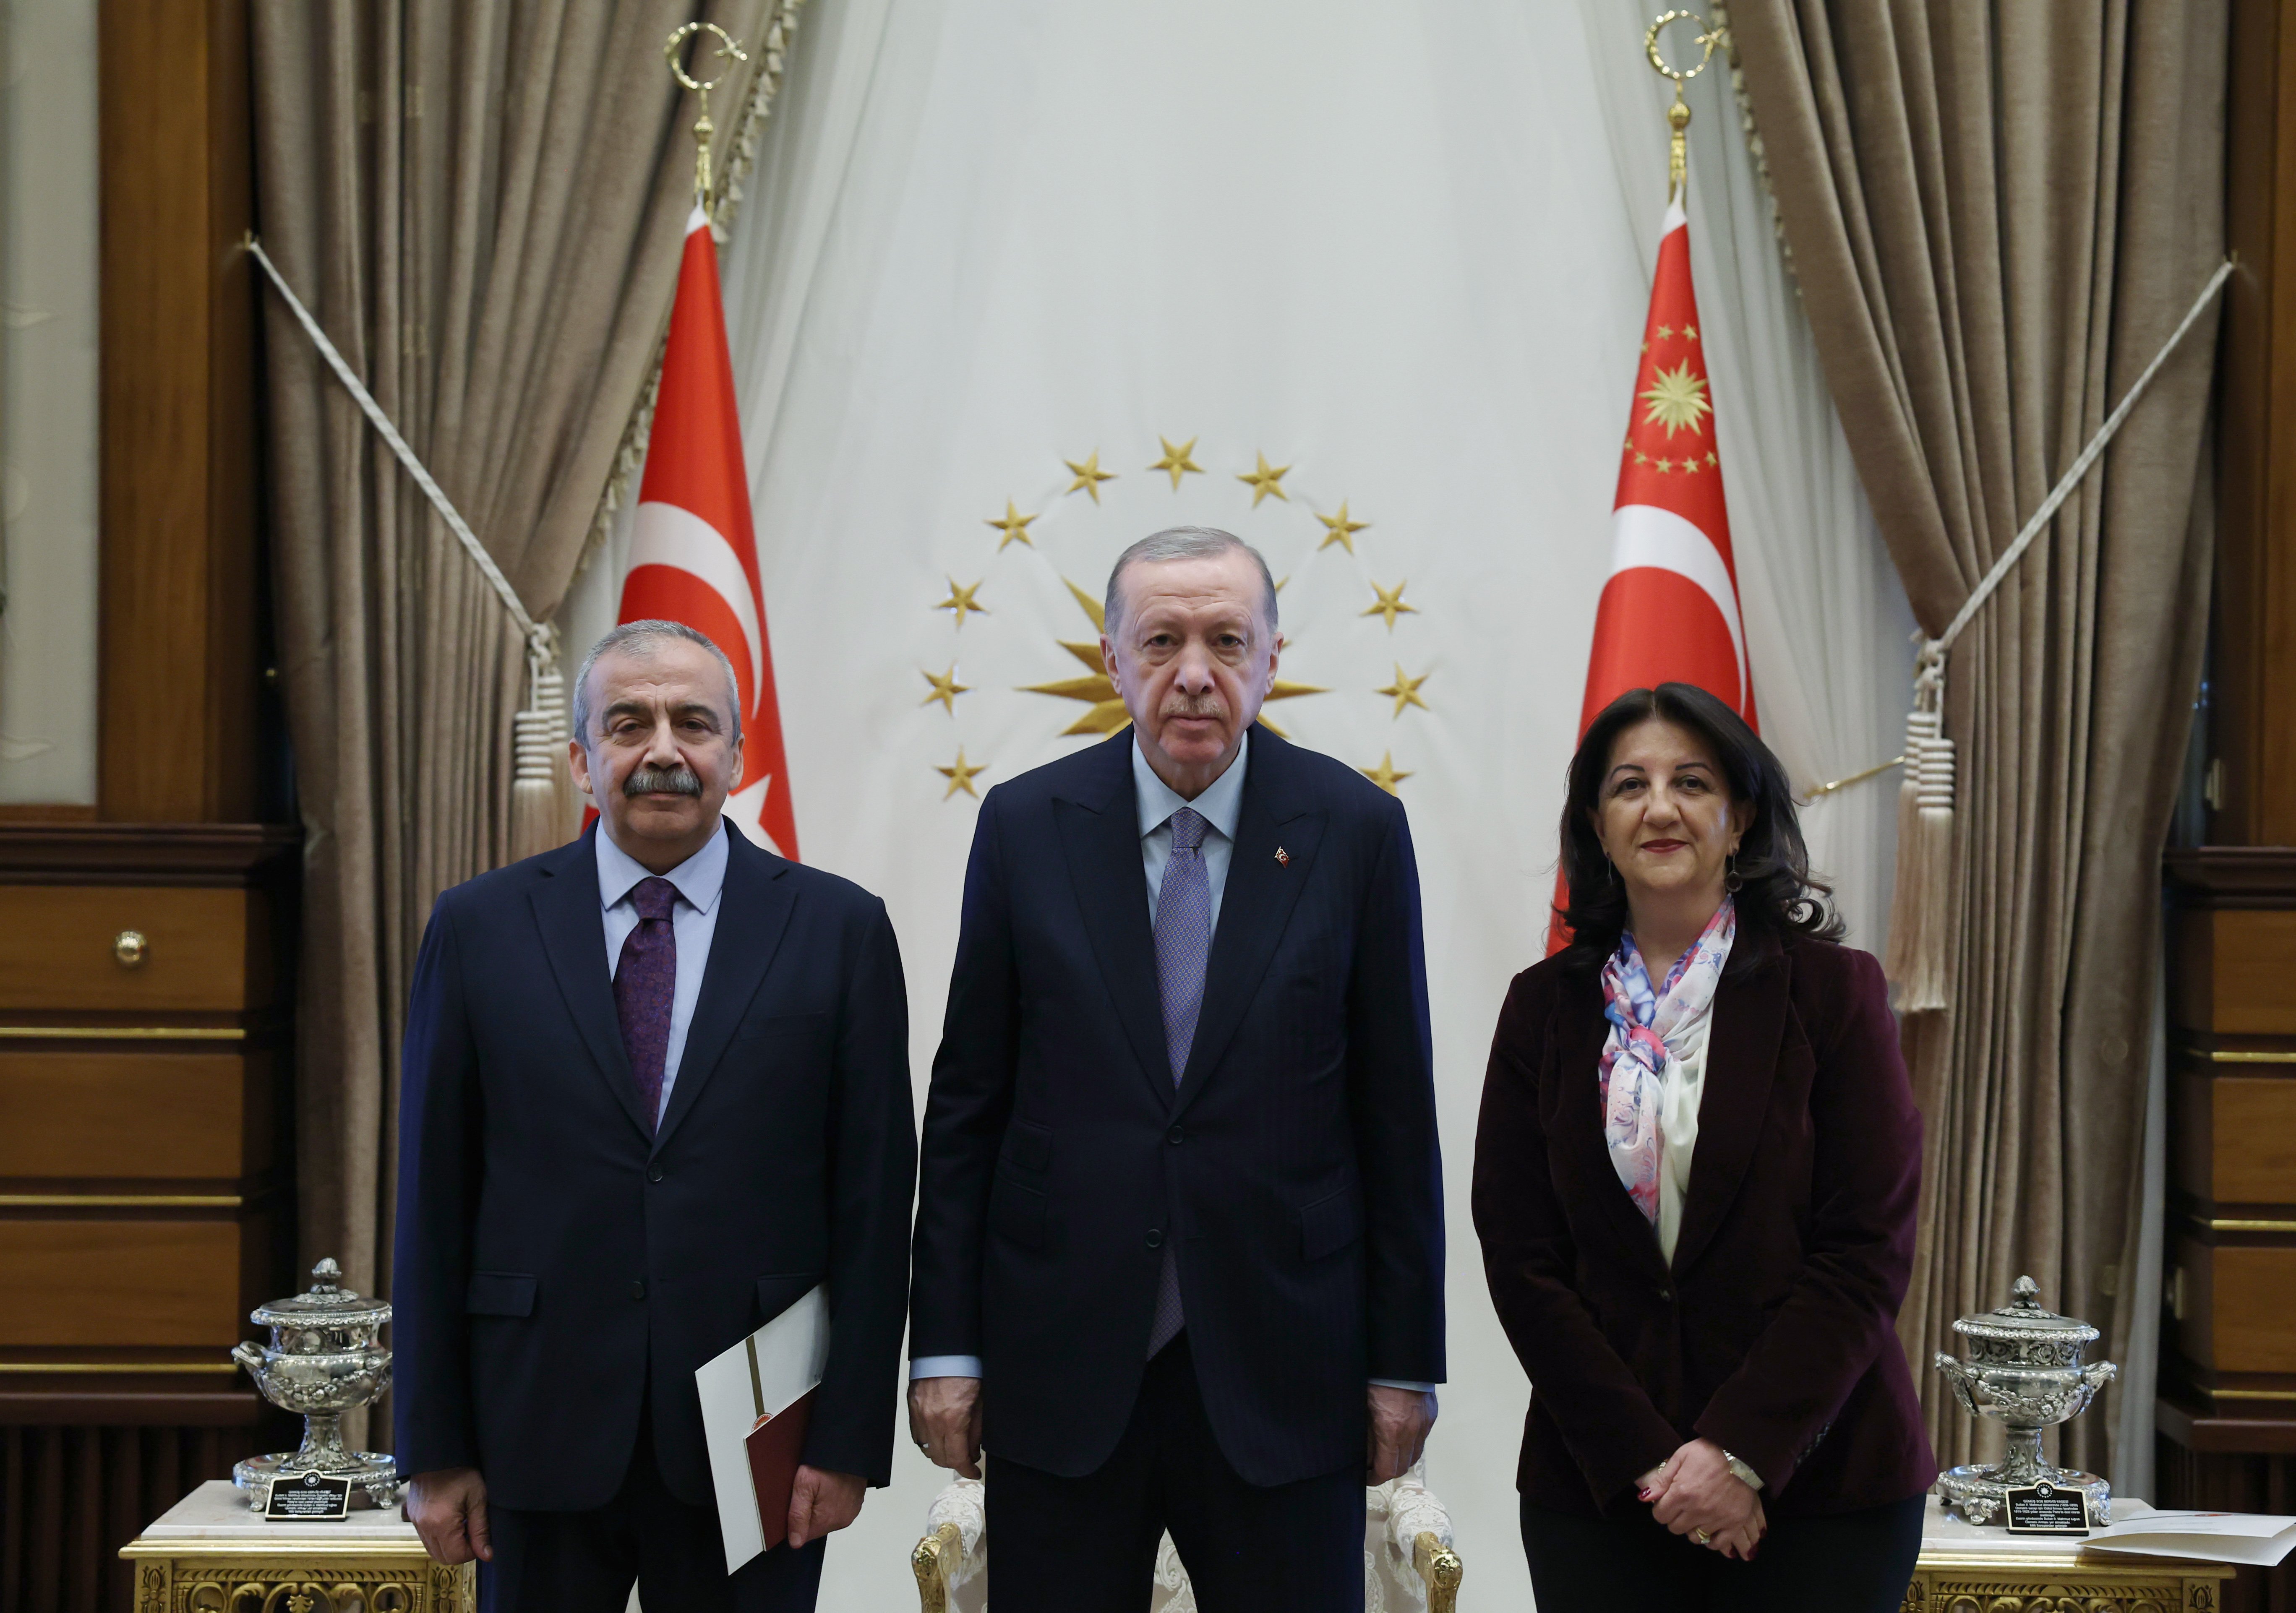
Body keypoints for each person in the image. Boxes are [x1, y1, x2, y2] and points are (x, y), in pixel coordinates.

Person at [908, 526, 1445, 1613]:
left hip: (1286, 1365)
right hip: (1062, 1362)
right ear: (1113, 659)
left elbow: (1395, 1119)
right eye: (1161, 641)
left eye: (1226, 640)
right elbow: (968, 1107)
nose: (1194, 671)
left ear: (1272, 659)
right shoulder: (1024, 826)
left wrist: (1403, 1362)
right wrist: (946, 1349)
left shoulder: (1356, 830)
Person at [392, 620, 916, 1613]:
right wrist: (432, 1445)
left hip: (760, 1432)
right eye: (629, 724)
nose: (663, 750)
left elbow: (877, 1204)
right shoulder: (478, 928)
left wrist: (849, 1438)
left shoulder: (839, 929)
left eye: (694, 723)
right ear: (581, 761)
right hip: (531, 1426)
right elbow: (432, 1200)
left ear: (736, 757)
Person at [1472, 681, 1935, 1611]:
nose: (1660, 808)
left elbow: (1864, 1252)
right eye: (1629, 786)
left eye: (1691, 782)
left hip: (1823, 1490)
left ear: (1741, 818)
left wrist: (1739, 1454)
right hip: (1604, 1491)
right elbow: (1524, 1260)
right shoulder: (1542, 1008)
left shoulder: (1834, 994)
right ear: (1597, 826)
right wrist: (1652, 1462)